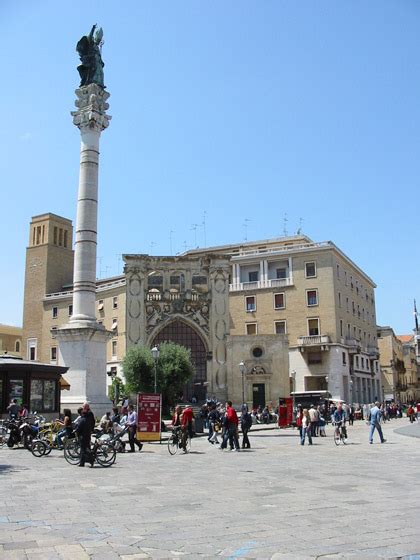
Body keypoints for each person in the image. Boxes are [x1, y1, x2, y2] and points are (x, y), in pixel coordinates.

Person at [75, 403, 95, 467]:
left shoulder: (83, 419)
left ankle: (88, 460)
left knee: (84, 449)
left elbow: (79, 428)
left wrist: (77, 431)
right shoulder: (87, 418)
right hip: (87, 433)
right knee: (86, 448)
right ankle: (85, 461)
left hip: (83, 435)